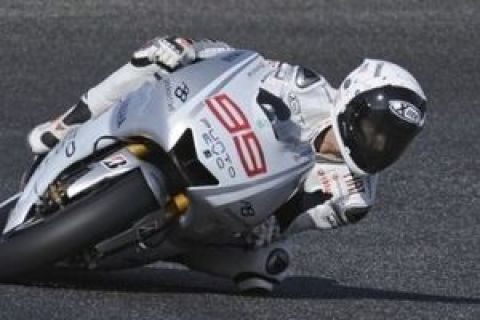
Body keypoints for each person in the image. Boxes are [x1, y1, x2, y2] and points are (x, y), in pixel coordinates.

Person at [27, 36, 427, 291]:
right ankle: (65, 125)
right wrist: (196, 51)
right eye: (375, 129)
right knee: (157, 55)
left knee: (270, 266)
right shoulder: (304, 85)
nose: (378, 143)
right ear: (350, 101)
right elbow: (241, 66)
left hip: (232, 215)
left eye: (391, 140)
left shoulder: (353, 197)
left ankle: (161, 249)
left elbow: (291, 220)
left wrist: (271, 228)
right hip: (210, 142)